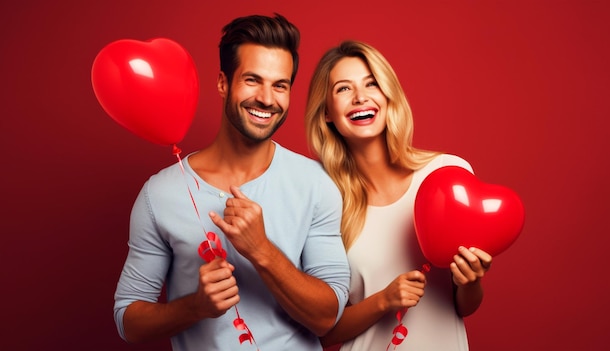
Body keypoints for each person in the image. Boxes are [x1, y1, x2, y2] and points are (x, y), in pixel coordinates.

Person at [114, 14, 351, 351]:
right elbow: (128, 320)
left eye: (280, 85)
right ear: (223, 82)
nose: (267, 99)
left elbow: (328, 316)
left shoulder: (317, 184)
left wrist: (263, 251)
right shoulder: (159, 194)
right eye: (253, 80)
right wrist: (195, 307)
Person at [304, 40, 493, 350]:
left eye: (372, 83)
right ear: (326, 111)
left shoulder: (447, 174)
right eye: (343, 89)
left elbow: (462, 307)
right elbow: (324, 332)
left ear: (388, 95)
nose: (360, 97)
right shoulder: (324, 203)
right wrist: (383, 300)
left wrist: (471, 281)